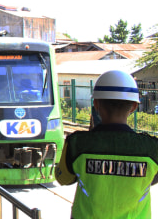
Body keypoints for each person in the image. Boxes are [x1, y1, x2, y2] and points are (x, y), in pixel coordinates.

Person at [55, 70, 158, 218]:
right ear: (134, 107)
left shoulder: (77, 144)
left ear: (96, 104)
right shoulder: (152, 148)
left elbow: (63, 178)